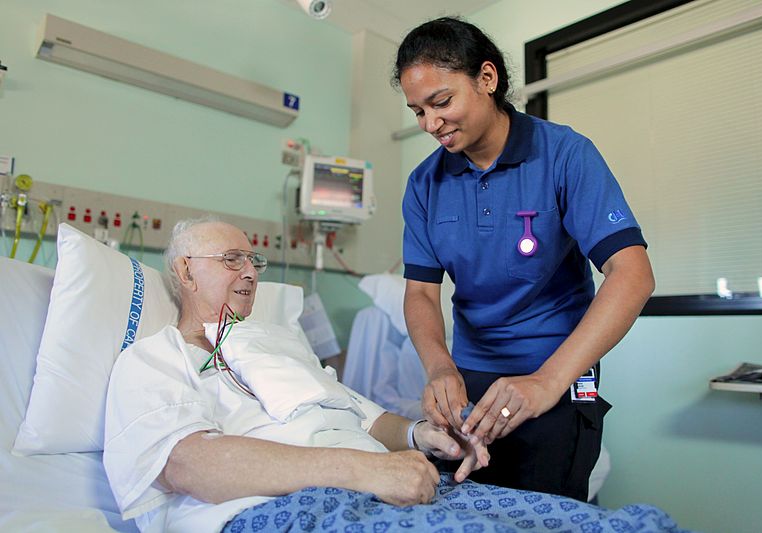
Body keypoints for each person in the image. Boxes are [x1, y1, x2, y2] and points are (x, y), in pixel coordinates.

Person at [393, 17, 655, 501]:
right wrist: (439, 368)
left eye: (441, 102)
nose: (430, 125)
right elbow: (421, 293)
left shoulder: (565, 155)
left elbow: (632, 275)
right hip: (470, 379)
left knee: (547, 506)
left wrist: (546, 383)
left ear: (487, 79)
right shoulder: (424, 185)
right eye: (417, 112)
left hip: (557, 372)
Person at [103, 218, 489, 533]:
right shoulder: (154, 358)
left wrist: (422, 435)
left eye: (254, 261)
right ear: (186, 270)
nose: (251, 273)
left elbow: (361, 415)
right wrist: (363, 469)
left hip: (385, 487)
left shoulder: (280, 344)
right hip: (284, 508)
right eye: (232, 259)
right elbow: (188, 464)